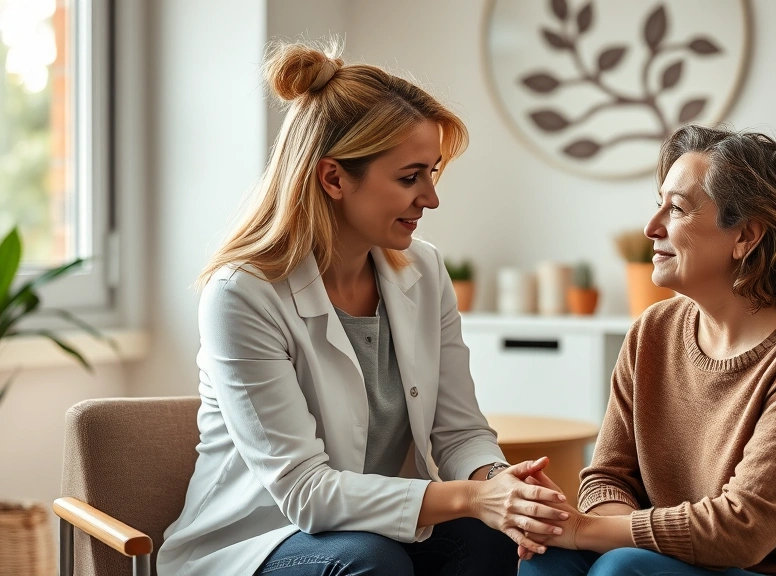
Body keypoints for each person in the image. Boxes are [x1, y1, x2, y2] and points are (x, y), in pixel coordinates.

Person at [156, 41, 569, 576]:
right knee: (371, 563)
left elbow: (460, 432)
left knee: (499, 540)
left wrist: (500, 484)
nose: (431, 197)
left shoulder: (425, 271)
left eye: (432, 173)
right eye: (409, 177)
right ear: (333, 178)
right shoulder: (241, 294)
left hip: (374, 531)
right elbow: (306, 493)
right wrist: (471, 499)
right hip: (257, 542)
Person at [519, 125, 776, 576]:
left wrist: (585, 530)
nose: (652, 227)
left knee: (624, 569)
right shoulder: (652, 332)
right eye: (659, 204)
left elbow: (743, 528)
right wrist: (578, 530)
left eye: (676, 208)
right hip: (678, 563)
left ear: (746, 236)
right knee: (549, 556)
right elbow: (607, 479)